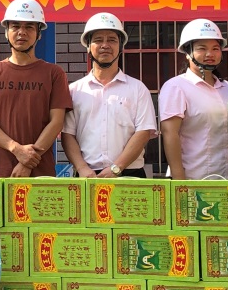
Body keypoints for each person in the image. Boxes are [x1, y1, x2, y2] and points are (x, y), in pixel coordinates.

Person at [0, 0, 72, 178]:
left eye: (29, 27)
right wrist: (16, 149)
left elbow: (56, 122)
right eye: (15, 26)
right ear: (6, 32)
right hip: (1, 172)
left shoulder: (54, 73)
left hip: (41, 173)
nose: (22, 32)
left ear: (39, 34)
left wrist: (28, 161)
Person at [63, 12, 157, 179]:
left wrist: (116, 167)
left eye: (112, 40)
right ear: (88, 46)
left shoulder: (137, 88)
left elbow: (143, 132)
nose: (105, 45)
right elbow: (67, 134)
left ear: (120, 46)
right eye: (98, 40)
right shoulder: (74, 90)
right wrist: (82, 168)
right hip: (87, 175)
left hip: (130, 175)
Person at [159, 19, 228, 181]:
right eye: (202, 48)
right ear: (187, 53)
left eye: (215, 48)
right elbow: (170, 133)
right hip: (193, 178)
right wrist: (179, 179)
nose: (210, 54)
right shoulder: (176, 87)